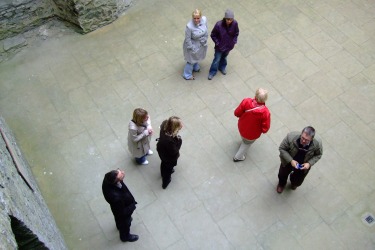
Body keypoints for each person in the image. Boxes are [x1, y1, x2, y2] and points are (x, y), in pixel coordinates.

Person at [276, 126, 323, 193]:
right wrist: (290, 160)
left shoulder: (317, 144)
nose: (303, 141)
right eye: (302, 138)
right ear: (301, 133)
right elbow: (282, 148)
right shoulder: (291, 137)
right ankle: (281, 184)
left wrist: (309, 163)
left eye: (307, 140)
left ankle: (294, 184)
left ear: (312, 139)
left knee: (298, 180)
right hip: (287, 162)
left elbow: (319, 154)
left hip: (303, 165)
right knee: (282, 174)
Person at [233, 88, 271, 162]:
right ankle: (238, 157)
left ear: (255, 96)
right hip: (252, 134)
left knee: (243, 138)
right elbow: (265, 128)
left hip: (242, 126)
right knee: (246, 144)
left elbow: (237, 112)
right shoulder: (265, 112)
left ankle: (243, 140)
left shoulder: (246, 101)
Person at [102, 169, 139, 242]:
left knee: (119, 220)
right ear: (116, 180)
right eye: (121, 175)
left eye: (120, 171)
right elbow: (122, 212)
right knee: (125, 224)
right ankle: (125, 237)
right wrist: (132, 206)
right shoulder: (116, 198)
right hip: (123, 211)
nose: (123, 173)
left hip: (117, 209)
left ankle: (119, 225)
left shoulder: (108, 179)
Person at [208, 9, 239, 80]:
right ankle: (212, 72)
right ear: (225, 18)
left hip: (228, 46)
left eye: (230, 19)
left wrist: (234, 41)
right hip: (219, 47)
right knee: (216, 59)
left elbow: (236, 33)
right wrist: (218, 43)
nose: (229, 21)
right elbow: (213, 35)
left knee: (224, 57)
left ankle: (222, 67)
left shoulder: (235, 24)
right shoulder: (218, 25)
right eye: (227, 19)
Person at [156, 116, 183, 189]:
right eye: (180, 125)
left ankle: (163, 174)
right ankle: (165, 182)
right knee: (168, 169)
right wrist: (179, 141)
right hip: (168, 157)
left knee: (164, 164)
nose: (182, 125)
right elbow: (174, 151)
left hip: (161, 151)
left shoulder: (165, 124)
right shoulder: (170, 141)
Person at [182, 9, 208, 80]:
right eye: (194, 18)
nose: (196, 20)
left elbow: (206, 29)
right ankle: (187, 74)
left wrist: (205, 39)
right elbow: (187, 39)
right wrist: (192, 48)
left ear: (200, 17)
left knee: (197, 57)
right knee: (191, 61)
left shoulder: (204, 20)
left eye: (198, 18)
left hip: (201, 44)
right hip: (193, 45)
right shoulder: (189, 26)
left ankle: (195, 67)